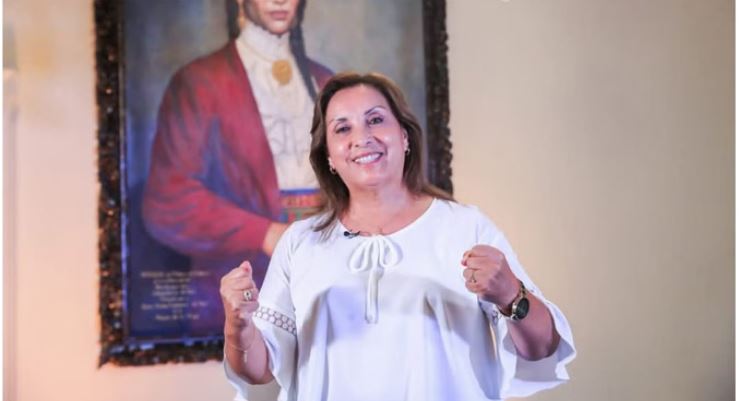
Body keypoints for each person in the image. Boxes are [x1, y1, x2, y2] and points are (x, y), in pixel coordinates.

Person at [220, 72, 576, 400]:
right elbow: (259, 369)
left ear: (404, 136)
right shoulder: (300, 242)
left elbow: (541, 348)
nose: (361, 138)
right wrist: (239, 323)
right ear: (328, 155)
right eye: (342, 128)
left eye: (375, 120)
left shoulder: (466, 227)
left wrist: (511, 294)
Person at [142, 0, 332, 333]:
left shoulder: (325, 82)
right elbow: (168, 201)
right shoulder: (200, 82)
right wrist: (265, 233)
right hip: (239, 287)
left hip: (324, 281)